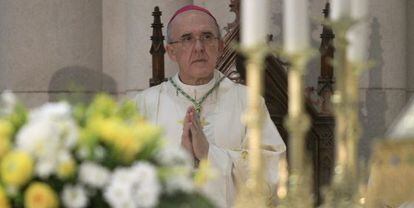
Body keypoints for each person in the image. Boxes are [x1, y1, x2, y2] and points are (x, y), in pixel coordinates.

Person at [135, 5, 286, 208]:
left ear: (221, 46)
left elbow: (273, 173)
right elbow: (127, 180)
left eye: (207, 37)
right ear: (171, 51)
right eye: (187, 38)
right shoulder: (145, 104)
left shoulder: (248, 102)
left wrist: (209, 154)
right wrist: (180, 163)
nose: (199, 47)